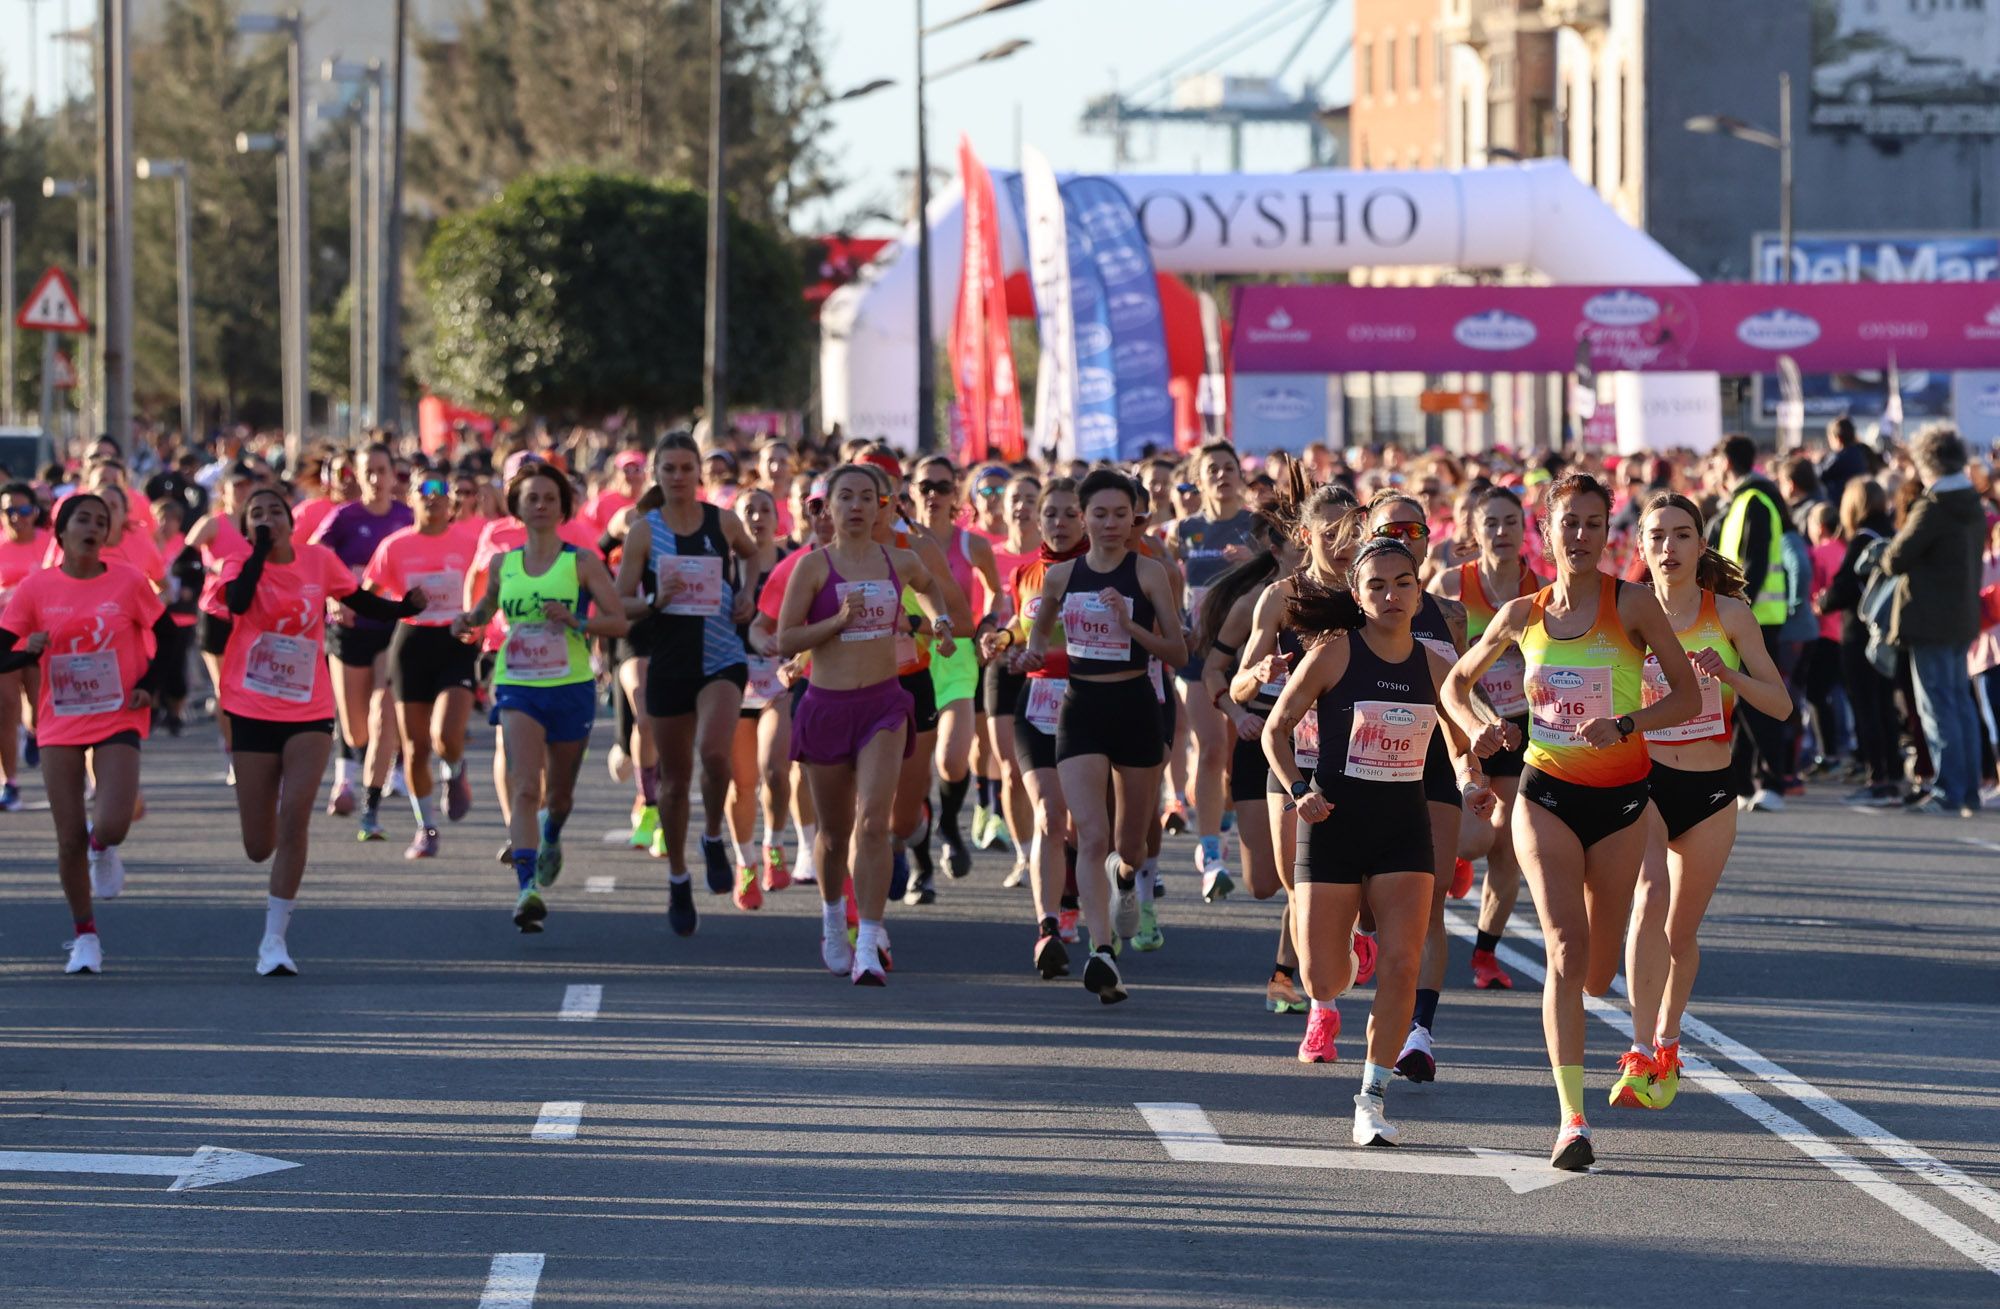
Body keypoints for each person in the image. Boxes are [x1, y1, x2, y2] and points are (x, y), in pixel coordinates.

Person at [1443, 473, 1700, 1171]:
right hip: (1545, 792)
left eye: (1592, 523)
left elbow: (1685, 695)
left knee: (1593, 972)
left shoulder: (1632, 603)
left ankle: (1595, 1040)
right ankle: (1571, 1120)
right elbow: (1455, 683)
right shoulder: (1522, 614)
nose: (1580, 535)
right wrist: (1479, 725)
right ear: (1547, 532)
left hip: (1620, 802)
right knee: (1562, 949)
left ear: (1607, 531)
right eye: (1569, 523)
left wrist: (1628, 723)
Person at [1262, 537, 1498, 1147]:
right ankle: (1350, 949)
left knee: (1403, 963)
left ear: (1419, 593)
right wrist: (1296, 790)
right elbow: (1275, 729)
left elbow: (1459, 742)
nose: (1392, 595)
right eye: (1377, 585)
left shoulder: (1435, 665)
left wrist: (1471, 782)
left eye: (1403, 584)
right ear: (1358, 595)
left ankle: (1371, 1097)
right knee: (1321, 981)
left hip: (1403, 829)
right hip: (1332, 822)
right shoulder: (1334, 653)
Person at [1616, 493, 1792, 1111]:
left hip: (1712, 790)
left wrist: (1728, 673)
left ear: (1700, 544)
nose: (1669, 547)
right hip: (1645, 780)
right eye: (1657, 536)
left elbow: (1780, 705)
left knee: (1679, 933)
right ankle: (1639, 1050)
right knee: (1649, 899)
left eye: (1682, 535)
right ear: (1641, 545)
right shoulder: (1625, 613)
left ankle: (1668, 1043)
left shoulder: (1730, 615)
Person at [215, 486, 426, 975]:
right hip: (251, 708)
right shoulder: (237, 565)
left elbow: (359, 600)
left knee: (295, 818)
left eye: (275, 511)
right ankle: (269, 865)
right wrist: (258, 554)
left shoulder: (318, 561)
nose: (267, 518)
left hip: (307, 709)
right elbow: (239, 603)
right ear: (246, 529)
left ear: (291, 522)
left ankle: (274, 940)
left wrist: (403, 608)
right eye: (257, 514)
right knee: (258, 846)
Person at [774, 463, 953, 984]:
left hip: (883, 706)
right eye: (845, 497)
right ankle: (834, 922)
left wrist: (940, 624)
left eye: (866, 498)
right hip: (827, 707)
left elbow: (929, 586)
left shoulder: (900, 560)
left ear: (881, 507)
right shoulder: (812, 567)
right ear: (828, 508)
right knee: (834, 834)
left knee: (874, 823)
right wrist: (837, 622)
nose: (855, 506)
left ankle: (870, 943)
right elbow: (786, 639)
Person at [1023, 469, 1188, 1003]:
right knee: (1090, 837)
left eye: (1121, 514)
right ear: (1083, 517)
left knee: (1129, 845)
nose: (1111, 524)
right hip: (1081, 710)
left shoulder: (1149, 572)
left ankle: (1126, 882)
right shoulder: (1059, 577)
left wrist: (1129, 625)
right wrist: (1025, 655)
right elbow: (1038, 642)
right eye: (1100, 514)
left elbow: (1179, 652)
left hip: (1136, 706)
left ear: (1134, 517)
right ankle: (1101, 953)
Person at [0, 494, 171, 974]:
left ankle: (104, 847)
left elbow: (169, 634)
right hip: (62, 717)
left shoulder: (128, 581)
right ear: (61, 530)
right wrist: (27, 652)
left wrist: (150, 684)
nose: (94, 528)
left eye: (101, 521)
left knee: (112, 823)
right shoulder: (35, 588)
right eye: (83, 520)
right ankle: (85, 937)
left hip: (117, 712)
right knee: (68, 836)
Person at [454, 464, 628, 933]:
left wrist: (577, 621)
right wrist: (467, 620)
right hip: (518, 684)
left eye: (550, 498)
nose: (541, 506)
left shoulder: (582, 562)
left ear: (563, 506)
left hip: (571, 686)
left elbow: (618, 621)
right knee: (525, 787)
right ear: (517, 506)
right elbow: (486, 608)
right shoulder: (503, 564)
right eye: (532, 498)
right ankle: (526, 889)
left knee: (560, 796)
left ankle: (551, 833)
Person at [1230, 482, 1363, 1025]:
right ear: (1305, 536)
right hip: (1292, 754)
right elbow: (1238, 685)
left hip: (1360, 757)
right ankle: (1316, 992)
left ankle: (1322, 986)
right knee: (1295, 884)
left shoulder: (1372, 592)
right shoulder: (1281, 598)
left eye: (1352, 532)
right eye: (1330, 533)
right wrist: (1258, 674)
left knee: (1349, 885)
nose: (1343, 544)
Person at [616, 433, 761, 923]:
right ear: (656, 475)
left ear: (699, 472)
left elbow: (753, 553)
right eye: (669, 469)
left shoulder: (723, 521)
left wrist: (749, 593)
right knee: (675, 784)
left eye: (685, 468)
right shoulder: (643, 531)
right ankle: (678, 877)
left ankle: (713, 835)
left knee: (716, 754)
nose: (678, 476)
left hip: (722, 655)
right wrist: (654, 600)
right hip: (669, 662)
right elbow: (620, 601)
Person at [1428, 485, 1540, 992]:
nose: (1501, 531)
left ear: (1524, 529)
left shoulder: (1542, 591)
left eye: (1510, 522)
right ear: (1474, 531)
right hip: (1461, 723)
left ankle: (1485, 955)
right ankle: (1456, 859)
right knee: (1475, 839)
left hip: (1519, 726)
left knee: (1508, 845)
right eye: (1490, 523)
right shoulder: (1451, 585)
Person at [985, 477, 1083, 976]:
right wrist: (1003, 640)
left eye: (1069, 514)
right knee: (1048, 813)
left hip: (1091, 703)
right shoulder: (1025, 572)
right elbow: (1020, 626)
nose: (1058, 523)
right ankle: (1047, 929)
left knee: (1086, 825)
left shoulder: (1102, 572)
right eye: (1051, 514)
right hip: (1038, 701)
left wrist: (1051, 655)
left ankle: (1077, 894)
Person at [362, 470, 481, 858]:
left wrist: (482, 624)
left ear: (451, 500)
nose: (432, 497)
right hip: (411, 643)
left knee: (445, 734)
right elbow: (367, 595)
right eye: (423, 490)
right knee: (414, 748)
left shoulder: (469, 544)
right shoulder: (394, 546)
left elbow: (489, 588)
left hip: (456, 641)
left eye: (440, 490)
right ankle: (426, 828)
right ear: (410, 498)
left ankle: (455, 769)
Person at [1166, 443, 1258, 899]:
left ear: (1240, 475)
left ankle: (1221, 818)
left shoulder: (1258, 527)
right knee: (1211, 747)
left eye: (1228, 467)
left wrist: (1253, 563)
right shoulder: (1183, 531)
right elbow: (1167, 587)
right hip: (1198, 656)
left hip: (1247, 654)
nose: (1222, 475)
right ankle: (1211, 854)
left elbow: (1282, 578)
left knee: (1235, 756)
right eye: (1212, 470)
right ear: (1198, 480)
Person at [1881, 424, 1987, 816]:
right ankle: (1968, 790)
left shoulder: (1933, 507)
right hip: (1962, 617)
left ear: (1927, 462)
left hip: (1929, 620)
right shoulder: (1972, 503)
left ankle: (1948, 791)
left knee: (1937, 708)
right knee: (1960, 704)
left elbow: (1895, 558)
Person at [311, 443, 415, 837]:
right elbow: (314, 558)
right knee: (356, 731)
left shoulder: (406, 517)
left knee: (382, 713)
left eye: (382, 470)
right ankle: (362, 763)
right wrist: (333, 595)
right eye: (367, 470)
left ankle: (372, 800)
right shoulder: (343, 518)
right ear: (356, 474)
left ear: (393, 474)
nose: (375, 478)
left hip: (391, 628)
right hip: (349, 627)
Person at [913, 454, 1001, 888]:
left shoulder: (972, 545)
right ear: (912, 491)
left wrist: (987, 623)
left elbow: (996, 593)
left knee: (951, 758)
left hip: (957, 659)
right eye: (924, 487)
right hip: (908, 658)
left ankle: (948, 825)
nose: (933, 495)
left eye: (942, 487)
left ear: (956, 493)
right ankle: (921, 865)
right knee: (911, 776)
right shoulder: (898, 541)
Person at [1708, 435, 1794, 813]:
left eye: (1715, 463)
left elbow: (1755, 565)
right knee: (1742, 703)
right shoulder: (1743, 501)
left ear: (1726, 463)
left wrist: (1736, 612)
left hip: (1756, 620)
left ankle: (1774, 782)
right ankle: (1741, 781)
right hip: (1747, 617)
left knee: (1759, 702)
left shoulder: (1755, 501)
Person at [1818, 479, 1902, 805]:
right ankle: (1893, 775)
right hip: (1889, 631)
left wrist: (1823, 601)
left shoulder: (1863, 538)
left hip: (1861, 632)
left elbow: (1844, 588)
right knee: (1885, 706)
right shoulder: (1892, 533)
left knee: (1867, 707)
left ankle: (1878, 778)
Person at [981, 475, 1043, 888]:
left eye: (1030, 499)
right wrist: (987, 634)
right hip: (1001, 667)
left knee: (1045, 769)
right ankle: (1024, 854)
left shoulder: (1052, 559)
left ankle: (1049, 846)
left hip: (1043, 669)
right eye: (1015, 499)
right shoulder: (990, 555)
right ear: (1004, 508)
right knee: (1010, 770)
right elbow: (984, 609)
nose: (1022, 506)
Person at [0, 482, 50, 811]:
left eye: (24, 510)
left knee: (39, 709)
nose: (17, 517)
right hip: (4, 639)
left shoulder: (50, 544)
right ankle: (9, 783)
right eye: (9, 511)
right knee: (5, 708)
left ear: (35, 512)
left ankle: (33, 734)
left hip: (41, 639)